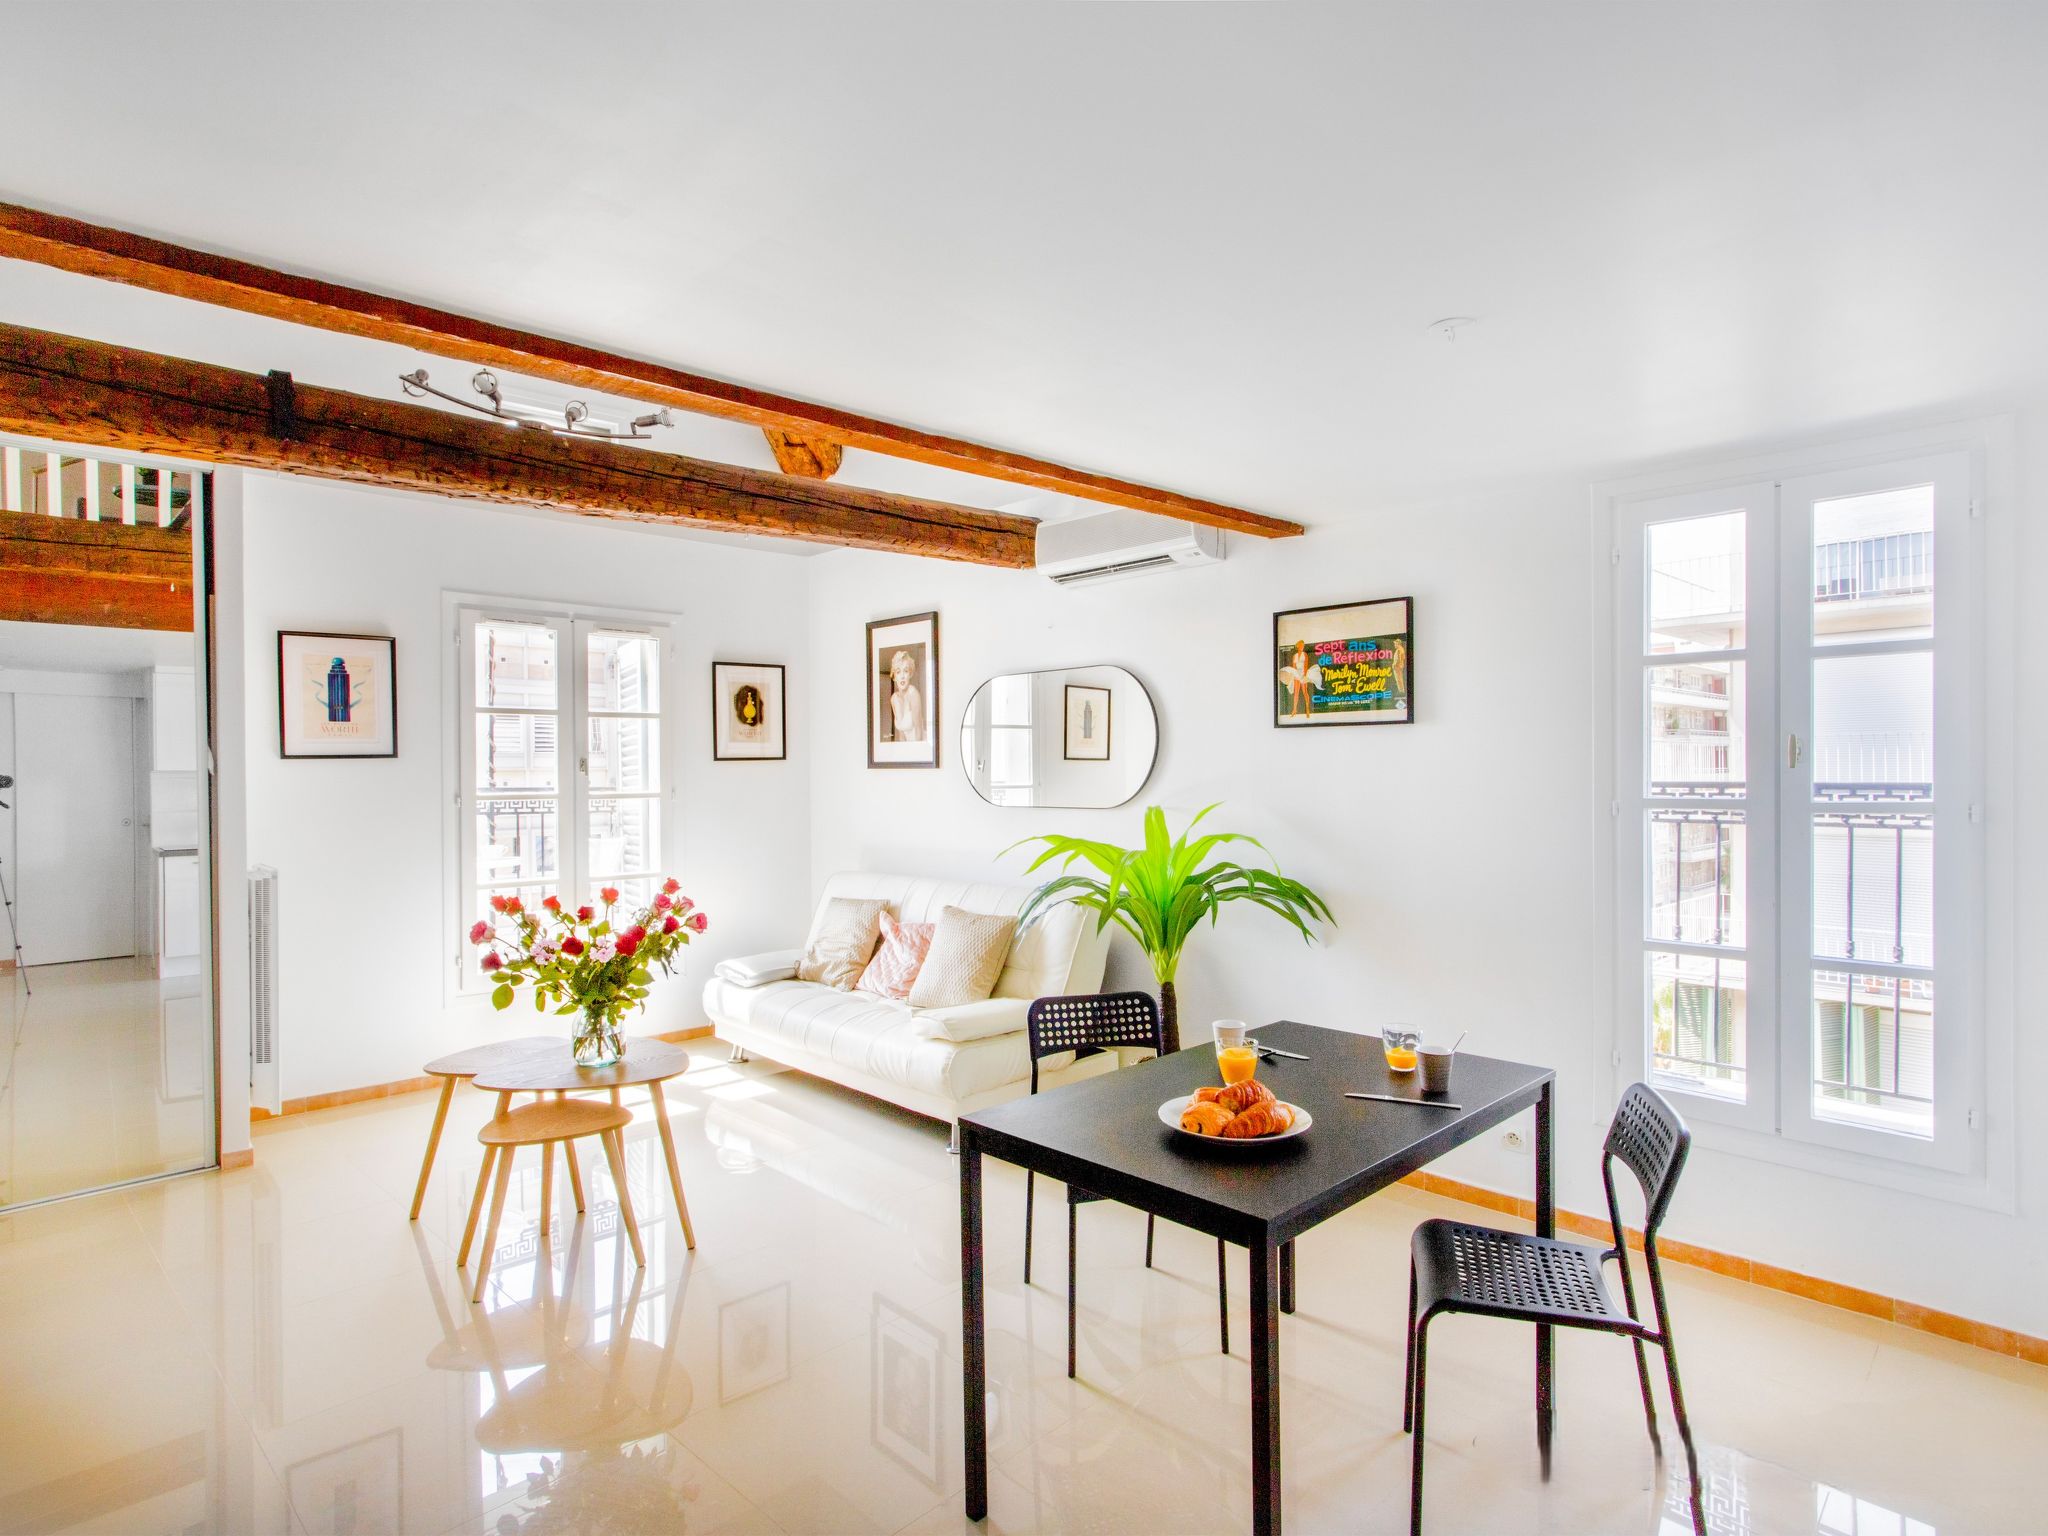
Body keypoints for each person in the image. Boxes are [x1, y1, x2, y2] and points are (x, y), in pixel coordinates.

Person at [886, 648, 924, 741]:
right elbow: (901, 733)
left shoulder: (913, 694)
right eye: (898, 672)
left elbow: (919, 731)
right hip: (906, 749)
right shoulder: (894, 699)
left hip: (918, 745)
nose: (902, 676)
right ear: (894, 676)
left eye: (906, 671)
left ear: (910, 674)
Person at [1277, 640, 1321, 719]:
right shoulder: (1295, 655)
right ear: (1298, 646)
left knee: (1305, 691)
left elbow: (1305, 666)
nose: (1302, 647)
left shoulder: (1305, 654)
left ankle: (1307, 708)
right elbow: (1294, 667)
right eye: (1301, 645)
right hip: (1296, 674)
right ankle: (1294, 709)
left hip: (1303, 674)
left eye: (1303, 645)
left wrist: (1303, 676)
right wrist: (1295, 675)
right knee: (1296, 692)